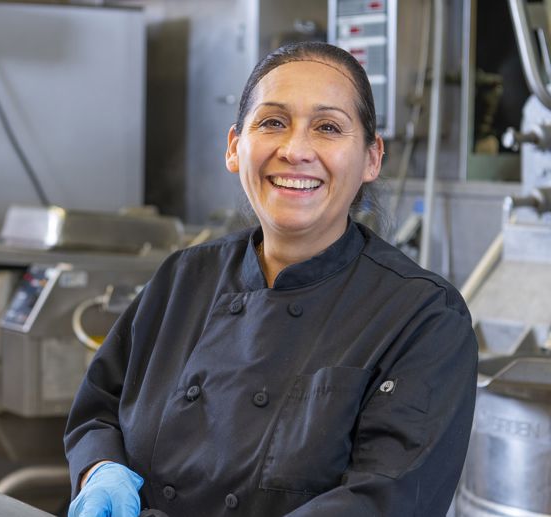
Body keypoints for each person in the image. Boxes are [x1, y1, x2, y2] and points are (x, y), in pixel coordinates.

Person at [64, 41, 478, 517]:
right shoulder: (182, 277)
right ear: (235, 147)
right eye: (273, 122)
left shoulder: (423, 317)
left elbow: (385, 500)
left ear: (371, 158)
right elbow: (98, 409)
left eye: (328, 127)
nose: (296, 150)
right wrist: (100, 471)